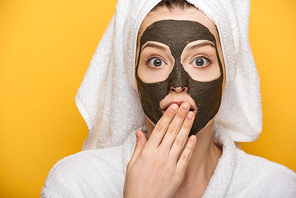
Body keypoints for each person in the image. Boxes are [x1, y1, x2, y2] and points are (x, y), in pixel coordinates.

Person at [41, 0, 296, 197]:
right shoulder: (76, 183)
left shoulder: (276, 187)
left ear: (226, 73)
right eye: (156, 61)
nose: (178, 85)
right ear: (133, 76)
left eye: (200, 60)